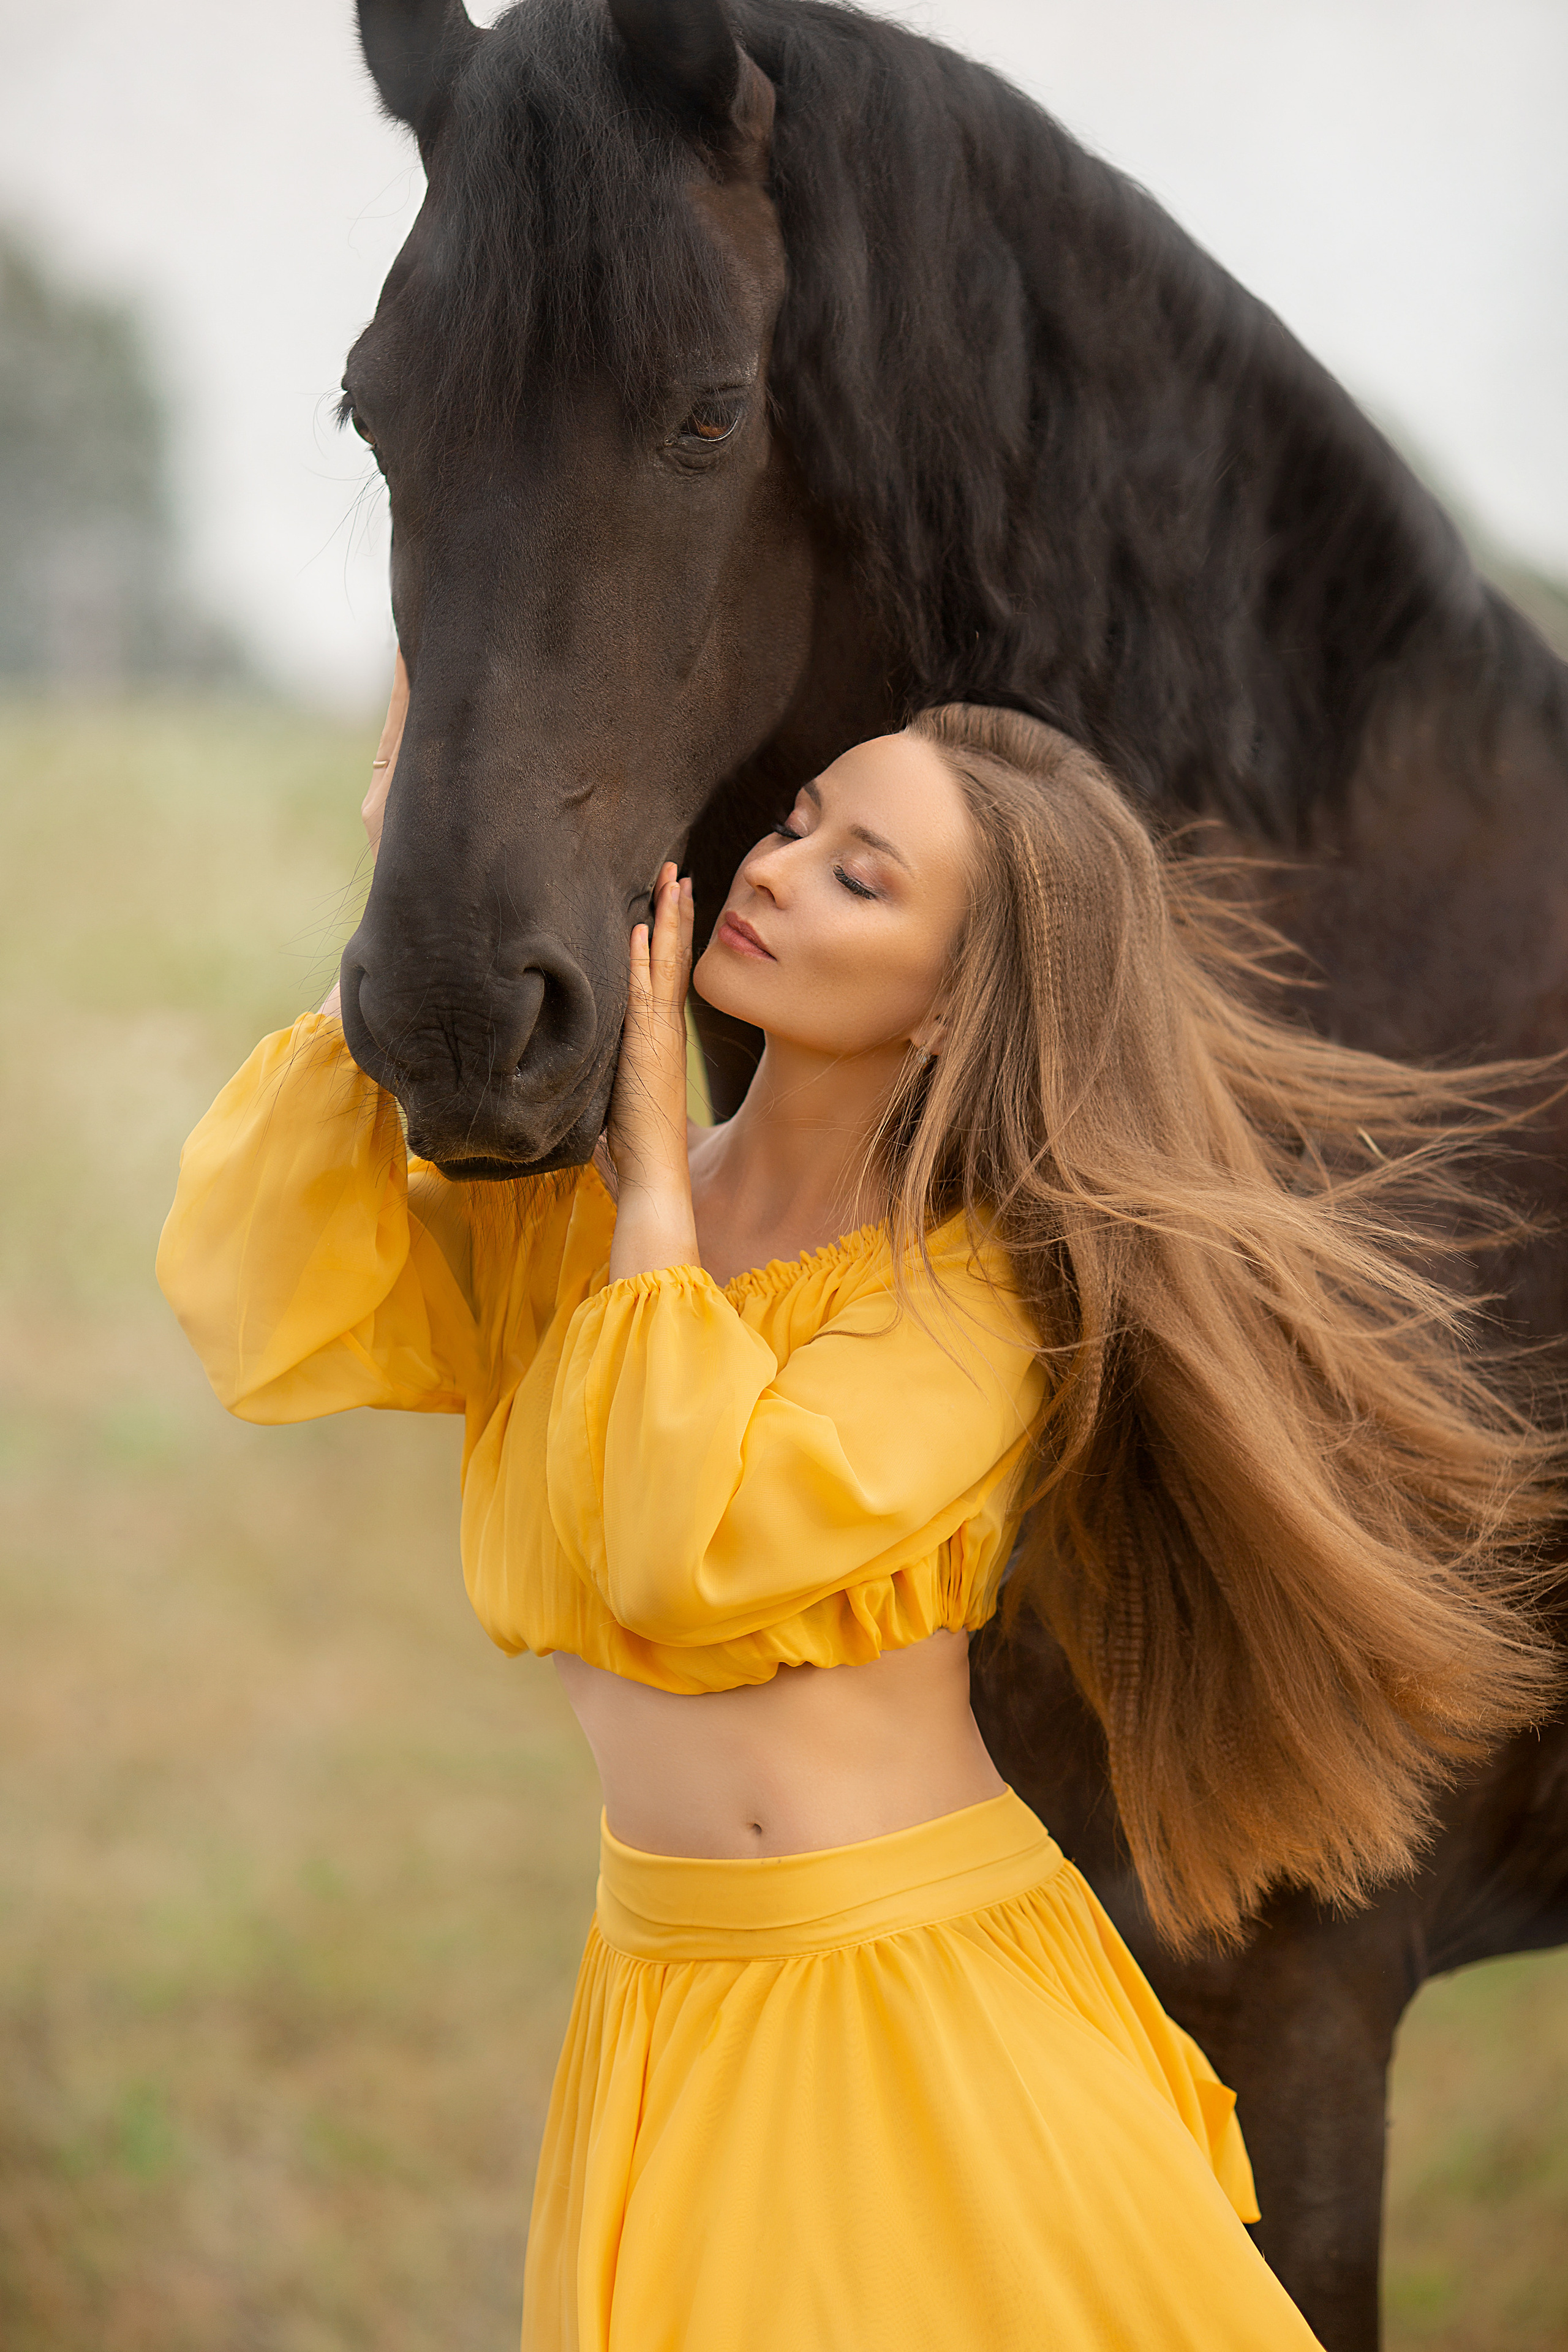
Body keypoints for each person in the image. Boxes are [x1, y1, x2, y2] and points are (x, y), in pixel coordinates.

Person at [157, 673, 1559, 2351]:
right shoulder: (563, 1230)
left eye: (859, 876)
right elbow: (265, 1299)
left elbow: (687, 1554)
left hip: (901, 2009)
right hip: (656, 1997)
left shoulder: (966, 1301)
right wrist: (409, 908)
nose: (772, 868)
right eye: (798, 824)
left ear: (956, 1004)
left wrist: (659, 1187)